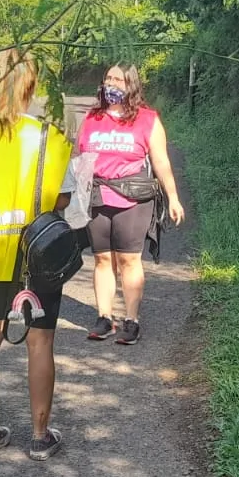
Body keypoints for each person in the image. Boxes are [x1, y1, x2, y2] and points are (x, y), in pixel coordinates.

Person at [0, 50, 73, 461]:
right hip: (36, 252)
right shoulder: (51, 136)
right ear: (32, 86)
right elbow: (63, 197)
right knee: (40, 341)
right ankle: (40, 436)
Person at [76, 64, 185, 344]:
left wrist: (173, 196)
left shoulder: (147, 119)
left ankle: (131, 320)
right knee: (102, 259)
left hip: (133, 198)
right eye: (108, 78)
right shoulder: (92, 117)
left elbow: (160, 161)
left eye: (118, 79)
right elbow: (79, 158)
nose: (111, 83)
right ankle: (104, 317)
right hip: (98, 196)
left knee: (128, 259)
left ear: (131, 85)